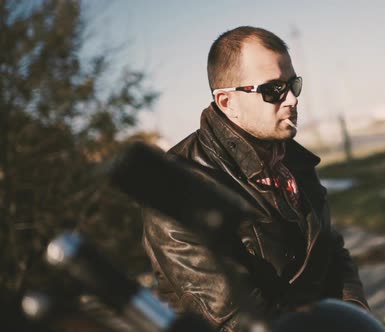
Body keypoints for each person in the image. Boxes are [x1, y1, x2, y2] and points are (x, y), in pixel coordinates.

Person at [142, 26, 369, 332]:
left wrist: (354, 317)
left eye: (293, 84)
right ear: (226, 102)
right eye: (273, 90)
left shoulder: (292, 160)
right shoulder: (177, 185)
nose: (291, 99)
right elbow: (234, 318)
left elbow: (332, 251)